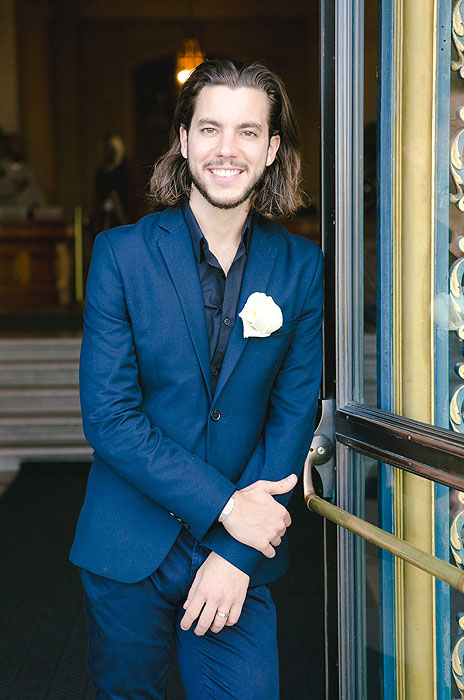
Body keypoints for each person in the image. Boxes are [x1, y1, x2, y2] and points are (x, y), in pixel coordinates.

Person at [70, 59, 323, 700]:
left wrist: (238, 550)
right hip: (129, 545)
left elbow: (292, 416)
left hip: (240, 552)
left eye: (247, 132)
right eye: (210, 129)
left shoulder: (300, 265)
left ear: (271, 150)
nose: (226, 150)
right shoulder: (120, 255)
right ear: (183, 142)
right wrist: (228, 506)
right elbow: (110, 418)